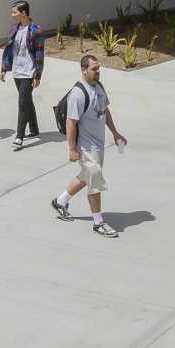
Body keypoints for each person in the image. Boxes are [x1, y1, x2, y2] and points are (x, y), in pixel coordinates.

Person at [50, 54, 127, 238]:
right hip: (85, 146)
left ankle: (61, 201)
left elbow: (104, 110)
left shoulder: (99, 87)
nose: (98, 71)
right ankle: (98, 222)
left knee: (87, 176)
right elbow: (70, 122)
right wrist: (72, 149)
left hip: (98, 144)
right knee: (95, 181)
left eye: (98, 68)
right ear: (83, 70)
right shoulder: (78, 93)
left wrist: (115, 134)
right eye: (94, 69)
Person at [0, 0, 45, 151]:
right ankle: (34, 128)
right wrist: (4, 68)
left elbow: (39, 54)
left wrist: (37, 75)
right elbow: (9, 49)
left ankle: (19, 136)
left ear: (23, 13)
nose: (12, 15)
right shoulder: (15, 28)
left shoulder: (36, 30)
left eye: (14, 12)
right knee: (26, 100)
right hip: (17, 71)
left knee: (22, 103)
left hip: (29, 71)